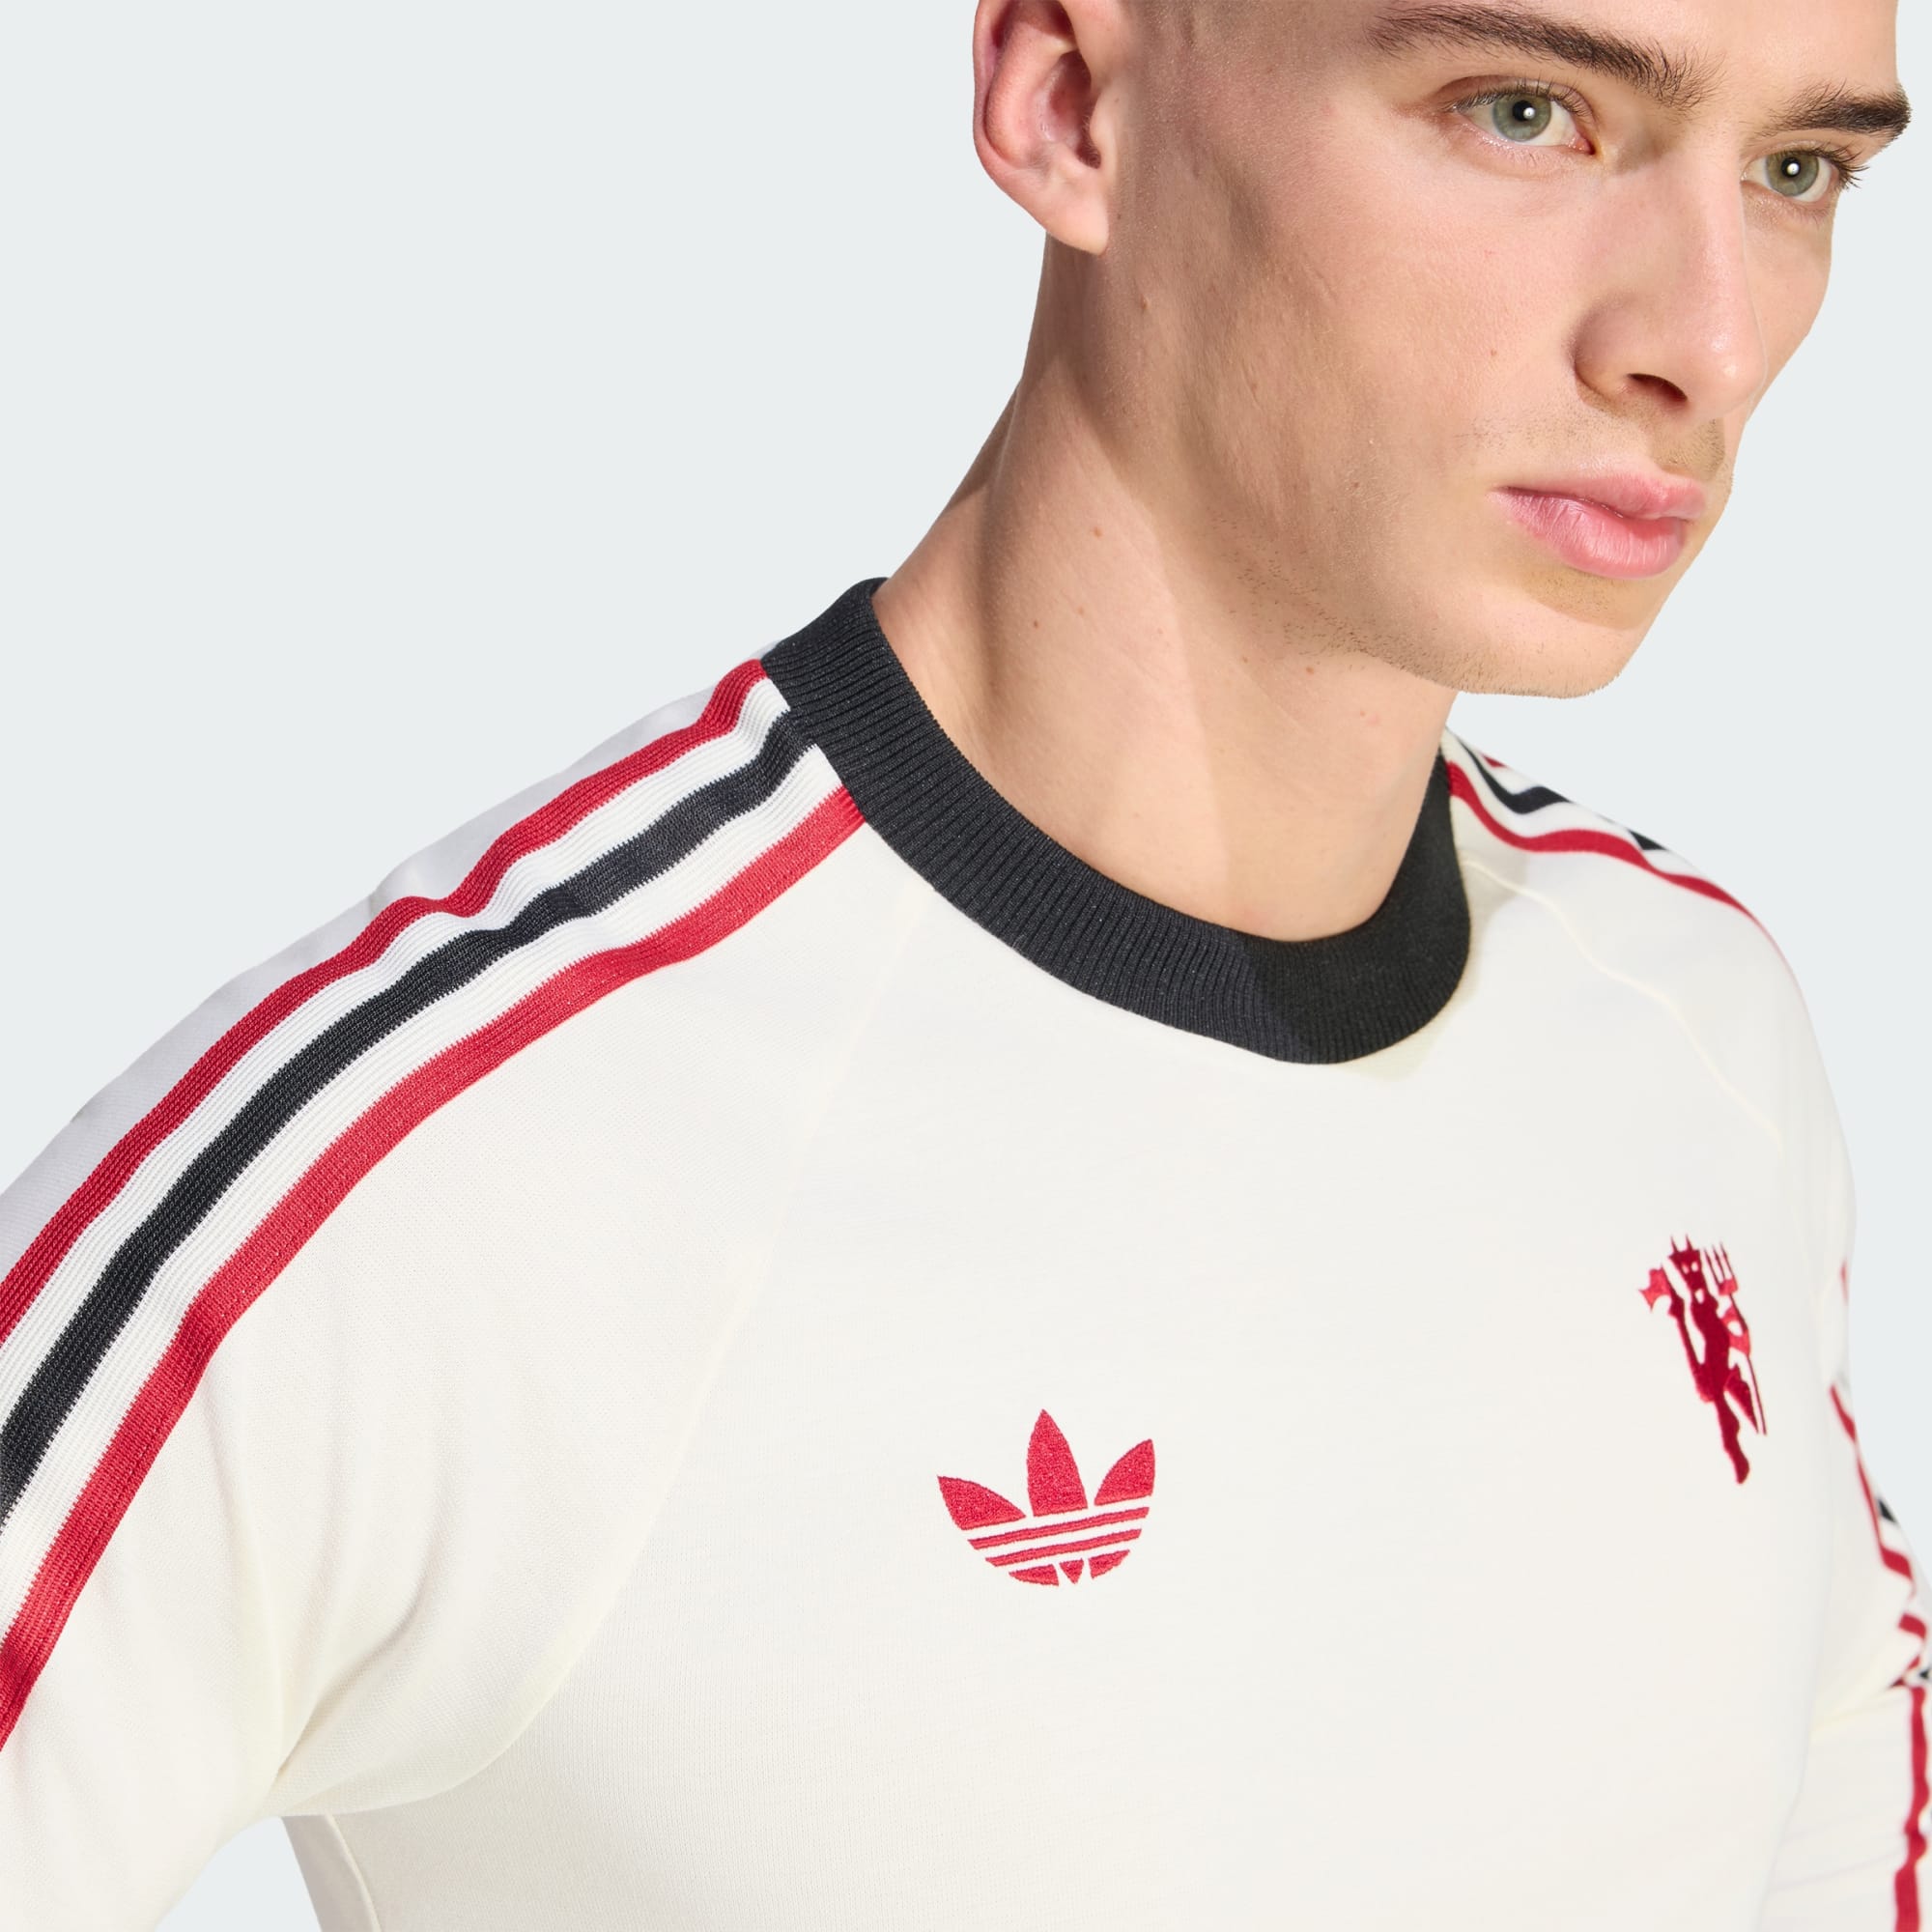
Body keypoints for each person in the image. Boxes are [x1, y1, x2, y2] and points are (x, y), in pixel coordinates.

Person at [1, 0, 1923, 1924]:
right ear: (1066, 102)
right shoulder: (454, 1169)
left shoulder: (1697, 1032)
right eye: (1523, 113)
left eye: (1796, 172)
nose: (1708, 342)